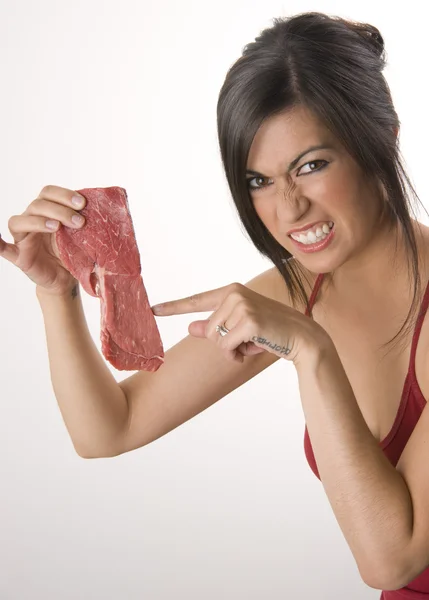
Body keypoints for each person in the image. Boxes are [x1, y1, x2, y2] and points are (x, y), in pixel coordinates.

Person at [1, 10, 428, 599]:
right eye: (259, 181)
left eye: (311, 166)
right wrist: (58, 294)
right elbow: (109, 430)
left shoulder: (301, 311)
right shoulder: (300, 289)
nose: (288, 209)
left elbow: (393, 559)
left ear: (382, 141)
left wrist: (310, 350)